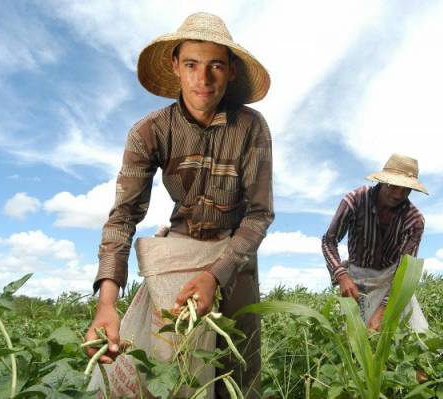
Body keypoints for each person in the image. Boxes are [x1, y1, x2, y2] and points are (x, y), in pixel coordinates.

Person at [84, 12, 273, 398]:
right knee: (175, 368)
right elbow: (122, 218)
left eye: (215, 66)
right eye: (191, 65)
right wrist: (107, 302)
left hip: (234, 255)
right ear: (175, 66)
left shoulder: (251, 127)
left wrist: (215, 275)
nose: (202, 80)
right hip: (179, 253)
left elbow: (258, 215)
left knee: (238, 373)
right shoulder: (149, 131)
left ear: (231, 71)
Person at [321, 153, 429, 332]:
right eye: (393, 186)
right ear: (382, 181)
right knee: (356, 341)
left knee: (415, 337)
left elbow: (405, 271)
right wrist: (342, 276)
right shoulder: (355, 200)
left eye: (405, 189)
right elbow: (329, 241)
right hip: (356, 279)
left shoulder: (414, 220)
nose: (398, 194)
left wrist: (384, 309)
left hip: (391, 280)